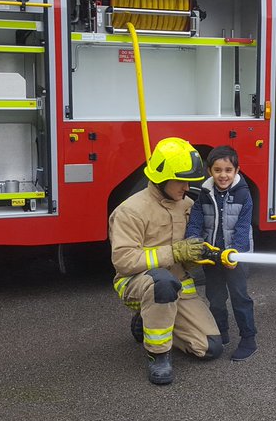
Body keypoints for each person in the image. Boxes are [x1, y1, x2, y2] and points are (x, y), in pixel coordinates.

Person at [109, 137, 224, 385]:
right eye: (181, 181)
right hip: (138, 282)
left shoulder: (188, 205)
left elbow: (190, 251)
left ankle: (151, 318)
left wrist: (202, 255)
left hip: (177, 286)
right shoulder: (130, 211)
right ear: (161, 178)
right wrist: (175, 253)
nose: (186, 188)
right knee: (162, 282)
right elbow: (123, 260)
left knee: (210, 347)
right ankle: (157, 356)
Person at [186, 145, 256, 362]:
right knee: (215, 298)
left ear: (236, 170)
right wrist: (194, 242)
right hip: (212, 256)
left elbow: (243, 227)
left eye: (228, 170)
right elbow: (196, 221)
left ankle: (249, 339)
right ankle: (221, 332)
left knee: (240, 298)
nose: (223, 175)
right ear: (210, 171)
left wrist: (235, 252)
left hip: (236, 256)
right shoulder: (204, 194)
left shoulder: (244, 194)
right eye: (218, 170)